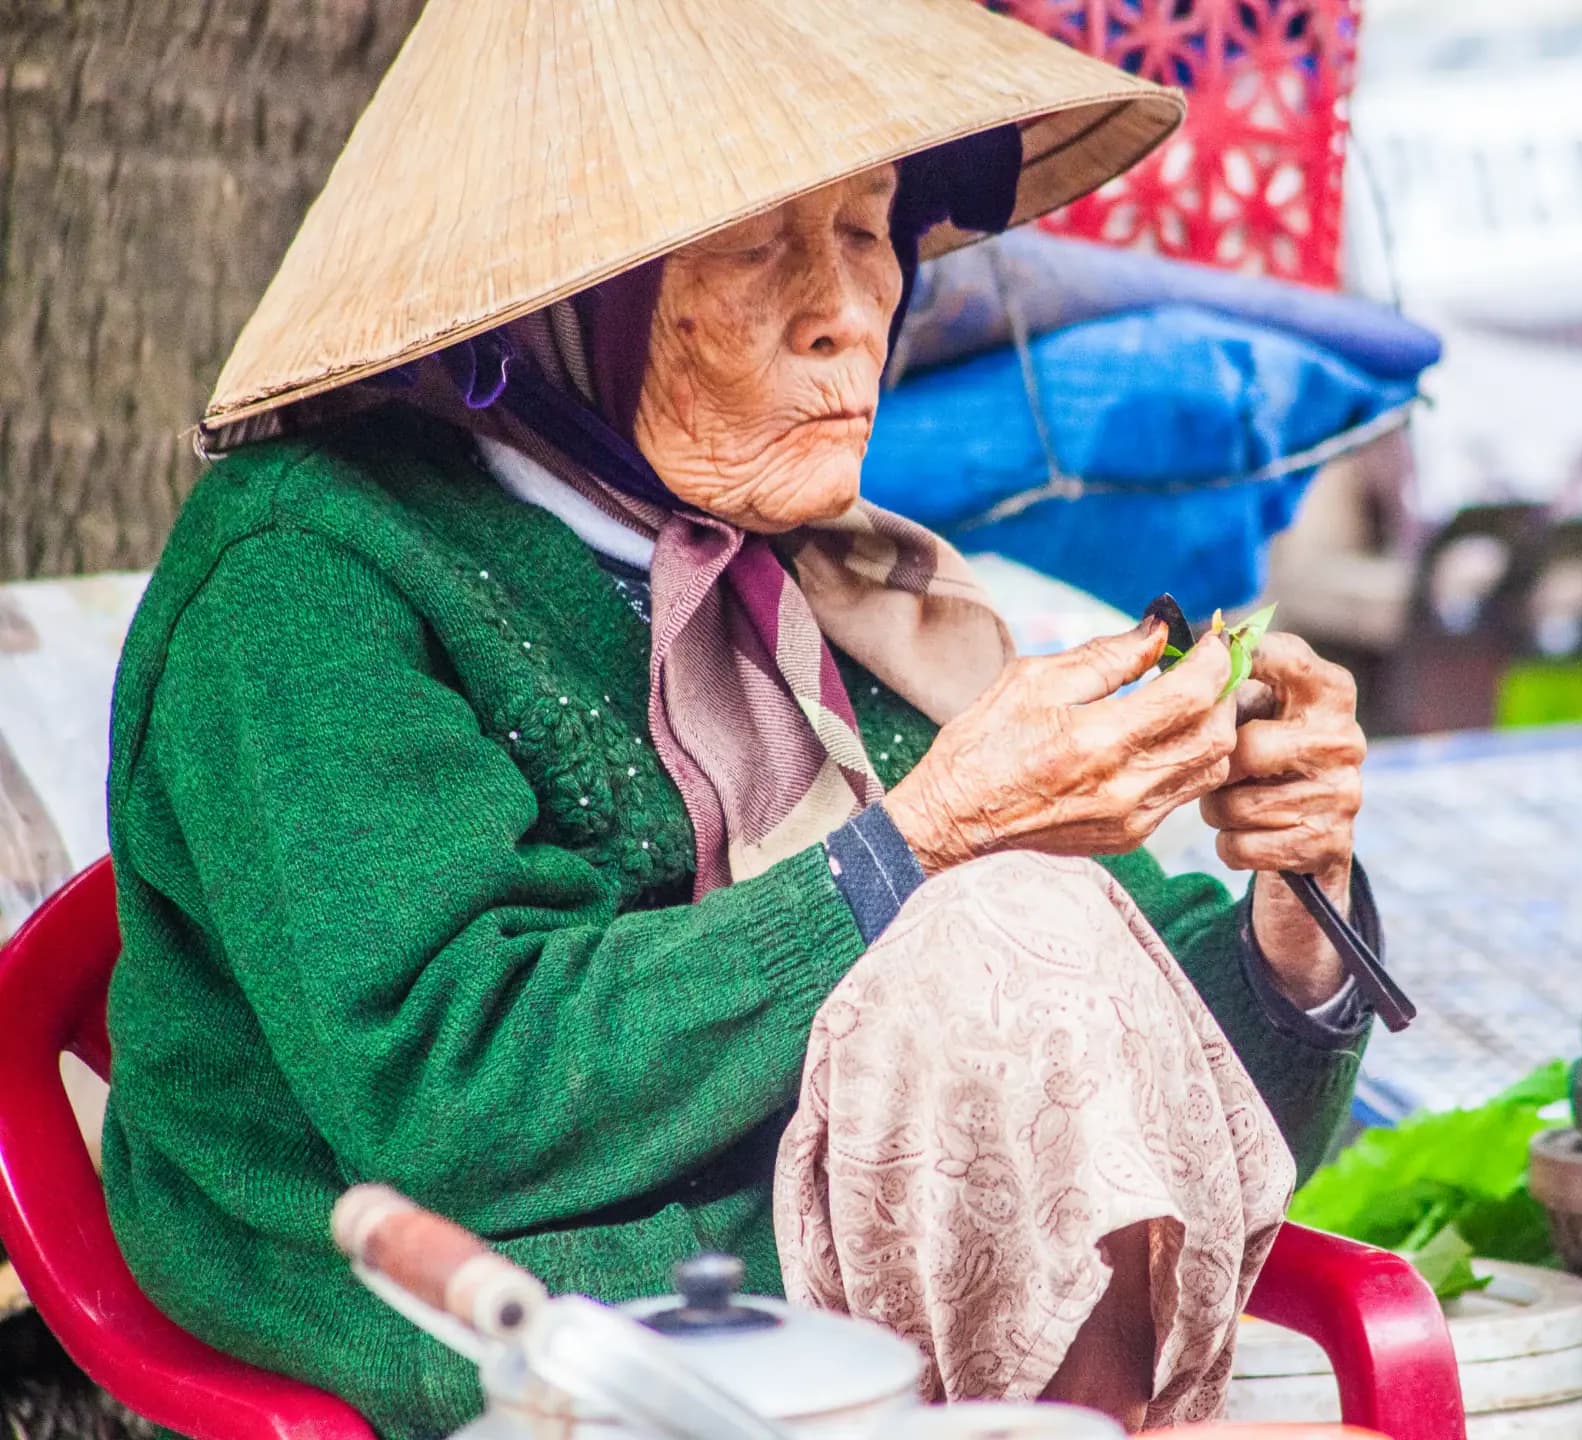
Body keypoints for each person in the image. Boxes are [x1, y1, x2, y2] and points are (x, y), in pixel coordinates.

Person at [99, 2, 1392, 1436]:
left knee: (1032, 933)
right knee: (997, 928)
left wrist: (1296, 901)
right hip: (480, 1286)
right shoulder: (307, 581)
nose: (850, 309)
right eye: (757, 239)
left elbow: (1164, 1125)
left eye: (865, 231)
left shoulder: (832, 581)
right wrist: (929, 840)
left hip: (809, 1255)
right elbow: (448, 1104)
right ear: (566, 287)